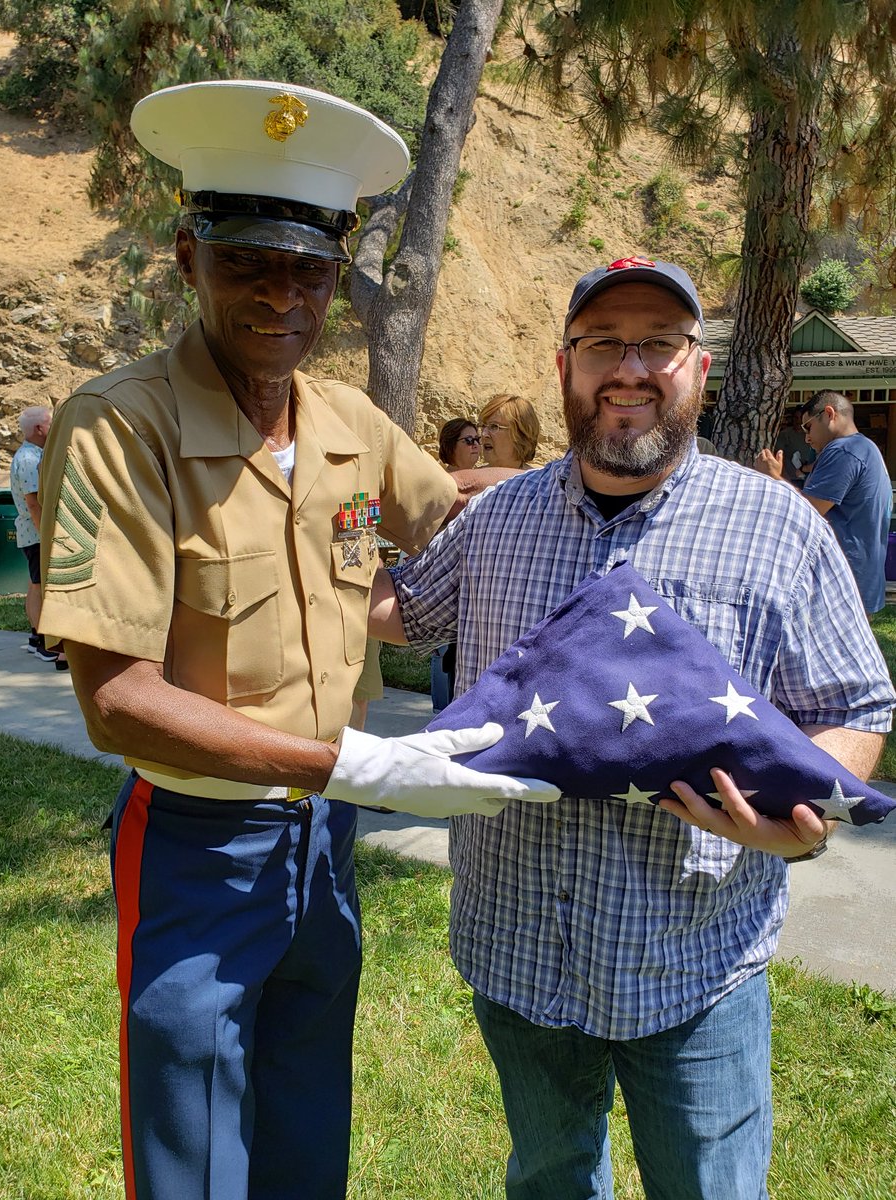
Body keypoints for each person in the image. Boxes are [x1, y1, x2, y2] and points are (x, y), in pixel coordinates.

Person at [36, 79, 558, 1200]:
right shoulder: (123, 425)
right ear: (188, 257)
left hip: (322, 848)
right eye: (247, 263)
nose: (282, 296)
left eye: (309, 269)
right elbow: (116, 698)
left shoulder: (346, 422)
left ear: (339, 274)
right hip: (195, 841)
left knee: (308, 1120)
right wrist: (356, 765)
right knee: (192, 1145)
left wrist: (593, 485)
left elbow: (457, 505)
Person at [370, 256, 894, 1199]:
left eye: (660, 342)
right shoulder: (497, 521)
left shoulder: (778, 526)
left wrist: (800, 821)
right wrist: (302, 510)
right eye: (604, 343)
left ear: (700, 366)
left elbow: (854, 706)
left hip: (694, 963)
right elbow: (393, 610)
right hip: (517, 951)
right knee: (550, 1179)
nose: (630, 368)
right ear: (564, 364)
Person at [756, 390, 892, 614]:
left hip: (840, 581)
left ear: (829, 414)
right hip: (861, 577)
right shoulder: (867, 448)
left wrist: (773, 478)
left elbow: (808, 510)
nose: (807, 438)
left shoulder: (844, 450)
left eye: (807, 427)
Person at [9, 405, 67, 669]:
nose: (53, 427)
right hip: (37, 533)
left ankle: (36, 637)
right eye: (50, 423)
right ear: (40, 429)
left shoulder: (27, 455)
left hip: (29, 532)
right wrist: (49, 536)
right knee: (42, 587)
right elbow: (34, 503)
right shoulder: (31, 459)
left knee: (35, 585)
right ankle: (45, 642)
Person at [479, 393, 540, 469]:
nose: (484, 434)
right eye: (483, 426)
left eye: (494, 426)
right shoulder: (470, 479)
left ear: (520, 435)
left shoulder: (538, 480)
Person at [772, 407, 815, 486]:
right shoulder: (785, 434)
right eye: (796, 418)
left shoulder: (810, 434)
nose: (798, 421)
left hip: (809, 477)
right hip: (791, 478)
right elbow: (778, 453)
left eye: (800, 418)